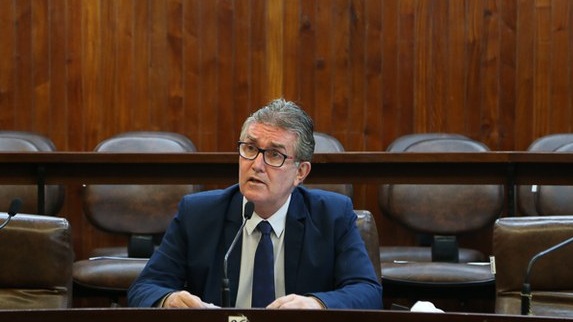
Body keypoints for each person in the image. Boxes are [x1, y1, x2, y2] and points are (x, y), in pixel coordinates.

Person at [127, 99, 382, 309]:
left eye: (274, 154)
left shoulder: (333, 215)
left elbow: (367, 292)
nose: (257, 165)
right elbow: (145, 288)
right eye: (250, 148)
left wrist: (317, 304)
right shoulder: (198, 214)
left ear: (300, 172)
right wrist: (168, 300)